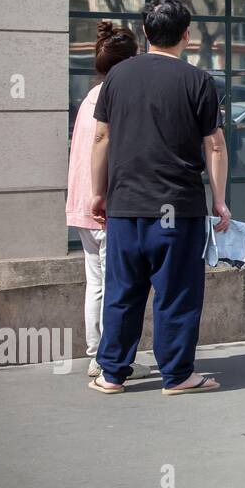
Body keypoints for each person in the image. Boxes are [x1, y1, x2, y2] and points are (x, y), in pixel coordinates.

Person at [89, 0, 231, 395]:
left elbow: (101, 137)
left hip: (125, 205)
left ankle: (112, 374)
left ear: (146, 33)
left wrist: (98, 193)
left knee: (122, 291)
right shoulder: (198, 81)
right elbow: (215, 146)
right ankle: (178, 375)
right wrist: (219, 200)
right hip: (177, 208)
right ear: (187, 34)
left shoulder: (116, 77)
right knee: (177, 293)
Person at [66, 21, 152, 379]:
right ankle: (107, 357)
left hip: (83, 202)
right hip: (104, 203)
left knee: (97, 283)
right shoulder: (113, 99)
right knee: (115, 284)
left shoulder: (89, 97)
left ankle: (95, 353)